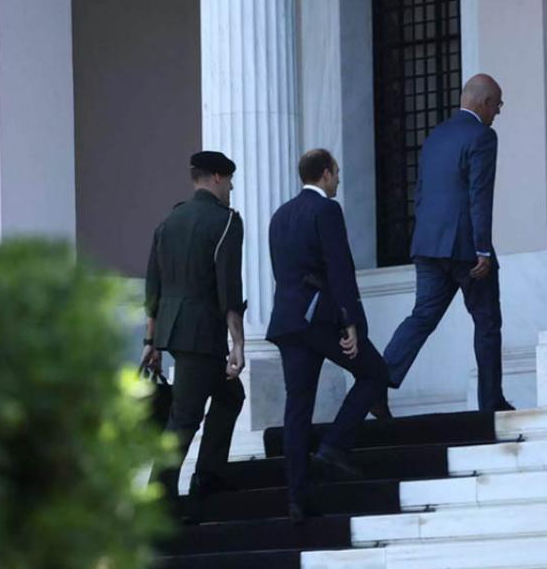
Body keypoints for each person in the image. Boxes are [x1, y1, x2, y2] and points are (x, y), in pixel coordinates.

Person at [266, 149, 390, 525]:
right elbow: (339, 268)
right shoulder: (327, 210)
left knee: (297, 409)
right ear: (324, 174)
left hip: (287, 320)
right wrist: (351, 321)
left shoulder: (279, 215)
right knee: (375, 373)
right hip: (319, 320)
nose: (338, 179)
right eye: (336, 172)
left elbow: (282, 271)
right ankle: (334, 446)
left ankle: (298, 499)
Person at [378, 74, 515, 413]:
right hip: (467, 249)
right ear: (485, 102)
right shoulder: (483, 136)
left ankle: (376, 382)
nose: (498, 112)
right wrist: (482, 248)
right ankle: (490, 403)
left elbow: (421, 193)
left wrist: (425, 238)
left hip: (428, 245)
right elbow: (479, 195)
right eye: (498, 104)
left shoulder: (434, 135)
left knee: (421, 317)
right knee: (487, 322)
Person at [140, 150, 246, 522]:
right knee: (185, 416)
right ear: (217, 177)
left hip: (174, 330)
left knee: (230, 395)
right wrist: (238, 343)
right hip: (201, 333)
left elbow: (153, 285)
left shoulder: (169, 221)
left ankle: (208, 474)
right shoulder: (226, 221)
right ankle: (158, 498)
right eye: (229, 180)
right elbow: (229, 288)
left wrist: (151, 341)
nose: (231, 187)